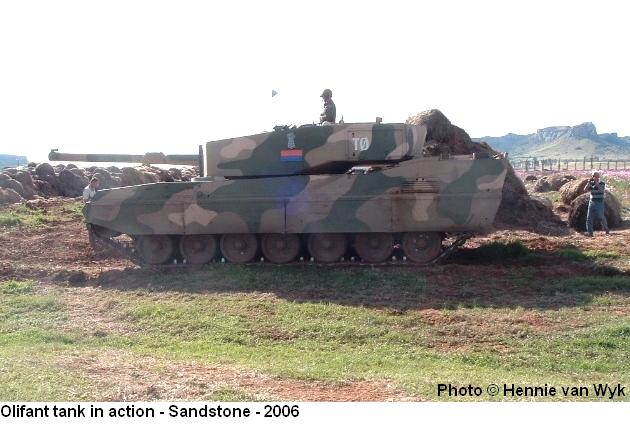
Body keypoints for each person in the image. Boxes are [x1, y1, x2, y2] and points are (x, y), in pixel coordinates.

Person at [584, 170, 609, 236]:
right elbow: (585, 190)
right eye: (595, 176)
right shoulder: (591, 184)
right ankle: (590, 232)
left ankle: (606, 228)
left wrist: (596, 183)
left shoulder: (602, 183)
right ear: (593, 177)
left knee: (601, 216)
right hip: (592, 202)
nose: (596, 177)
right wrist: (588, 183)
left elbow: (601, 190)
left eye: (597, 176)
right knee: (589, 218)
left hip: (599, 202)